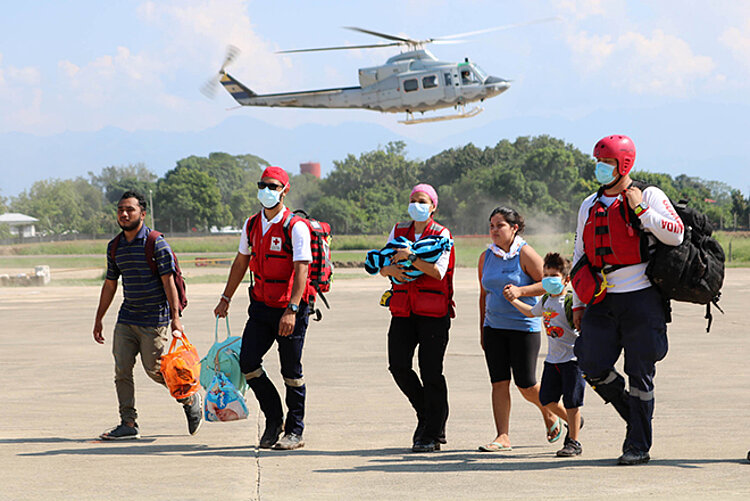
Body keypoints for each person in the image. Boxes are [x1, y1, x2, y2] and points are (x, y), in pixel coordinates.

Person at [571, 134, 683, 465]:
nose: (600, 169)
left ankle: (637, 445)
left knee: (640, 373)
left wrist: (642, 211)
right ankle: (633, 417)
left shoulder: (649, 195)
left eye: (606, 163)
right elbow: (579, 253)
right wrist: (578, 303)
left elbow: (675, 233)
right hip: (602, 300)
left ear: (623, 164)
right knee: (590, 363)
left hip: (642, 299)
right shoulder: (588, 205)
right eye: (598, 163)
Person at [214, 166, 313, 451]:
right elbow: (241, 262)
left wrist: (292, 309)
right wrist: (226, 297)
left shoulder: (295, 226)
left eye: (273, 186)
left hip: (289, 307)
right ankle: (274, 420)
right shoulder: (252, 225)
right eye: (263, 185)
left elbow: (302, 268)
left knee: (291, 371)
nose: (267, 191)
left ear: (285, 189)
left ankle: (295, 430)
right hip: (260, 305)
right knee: (248, 362)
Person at [93, 190, 202, 440]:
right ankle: (128, 423)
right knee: (122, 370)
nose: (124, 213)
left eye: (129, 209)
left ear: (142, 213)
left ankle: (188, 398)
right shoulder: (115, 247)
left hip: (154, 320)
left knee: (155, 370)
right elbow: (110, 284)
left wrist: (176, 318)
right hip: (127, 318)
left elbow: (169, 283)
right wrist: (99, 318)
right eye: (120, 209)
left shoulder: (156, 243)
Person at [477, 206, 568, 452]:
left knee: (526, 385)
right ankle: (502, 436)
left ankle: (568, 417)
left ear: (514, 228)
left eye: (500, 225)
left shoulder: (524, 253)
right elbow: (483, 294)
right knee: (499, 382)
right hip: (494, 327)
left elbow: (550, 284)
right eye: (491, 226)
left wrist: (521, 291)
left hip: (523, 327)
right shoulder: (486, 257)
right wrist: (482, 328)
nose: (494, 230)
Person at [379, 183, 455, 453]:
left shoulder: (441, 234)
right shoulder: (399, 231)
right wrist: (390, 270)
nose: (417, 205)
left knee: (431, 370)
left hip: (433, 312)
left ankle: (432, 432)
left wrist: (412, 260)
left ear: (433, 206)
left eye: (423, 201)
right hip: (403, 309)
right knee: (398, 365)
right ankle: (427, 413)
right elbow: (382, 264)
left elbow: (438, 272)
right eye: (413, 200)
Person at [507, 252, 585, 457]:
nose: (549, 280)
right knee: (547, 399)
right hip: (553, 360)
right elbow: (531, 312)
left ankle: (574, 441)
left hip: (572, 360)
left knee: (572, 401)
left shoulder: (571, 301)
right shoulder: (546, 300)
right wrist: (514, 300)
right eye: (546, 275)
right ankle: (572, 420)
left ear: (566, 279)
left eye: (554, 276)